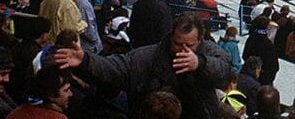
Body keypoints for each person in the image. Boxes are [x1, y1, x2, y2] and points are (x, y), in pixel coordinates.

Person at [55, 12, 233, 119]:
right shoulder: (146, 56)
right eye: (178, 44)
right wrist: (86, 60)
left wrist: (200, 63)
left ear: (199, 40)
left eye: (190, 45)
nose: (183, 50)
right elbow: (116, 67)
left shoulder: (209, 51)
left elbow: (223, 67)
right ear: (171, 37)